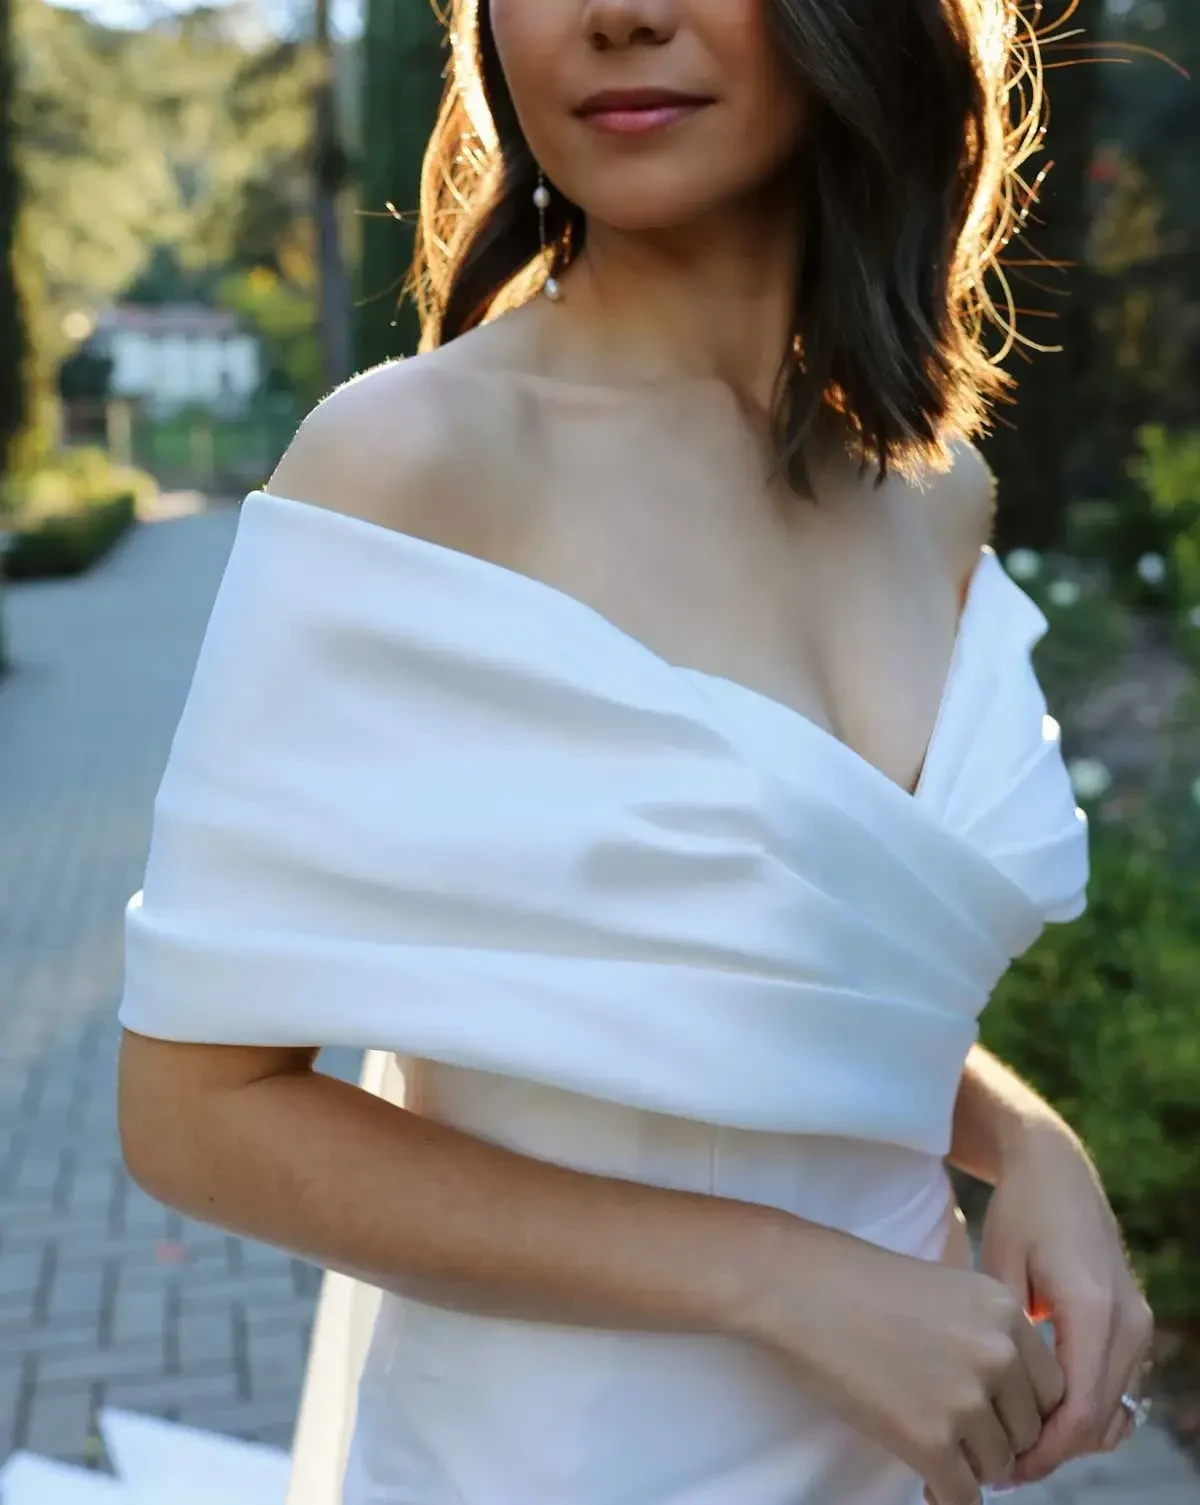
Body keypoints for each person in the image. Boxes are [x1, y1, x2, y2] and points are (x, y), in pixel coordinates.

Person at [115, 1, 1154, 1503]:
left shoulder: (933, 493)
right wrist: (786, 1279)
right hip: (557, 1455)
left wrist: (1031, 1140)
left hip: (897, 1443)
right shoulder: (412, 465)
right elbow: (197, 1111)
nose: (618, 14)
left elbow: (765, 984)